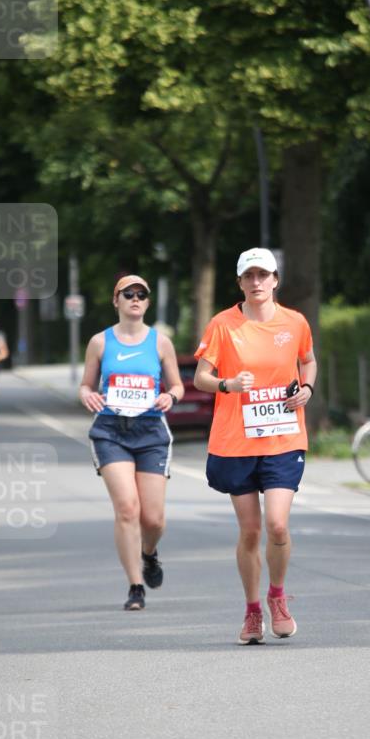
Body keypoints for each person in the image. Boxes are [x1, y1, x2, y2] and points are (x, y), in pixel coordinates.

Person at [194, 247, 317, 645]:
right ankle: (251, 612)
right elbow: (201, 377)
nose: (256, 282)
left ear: (276, 279)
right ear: (240, 282)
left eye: (263, 275)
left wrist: (308, 388)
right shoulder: (223, 325)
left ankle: (277, 597)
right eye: (249, 276)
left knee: (277, 525)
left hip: (283, 436)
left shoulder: (295, 322)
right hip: (236, 440)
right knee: (250, 531)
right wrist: (227, 384)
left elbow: (308, 360)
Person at [79, 275, 184, 611]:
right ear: (116, 301)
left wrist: (170, 396)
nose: (135, 298)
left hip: (151, 432)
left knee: (153, 520)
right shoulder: (100, 342)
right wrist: (88, 396)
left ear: (148, 302)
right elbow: (85, 385)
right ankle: (135, 585)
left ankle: (149, 554)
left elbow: (177, 386)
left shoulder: (160, 343)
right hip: (112, 430)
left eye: (142, 294)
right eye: (128, 294)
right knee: (127, 509)